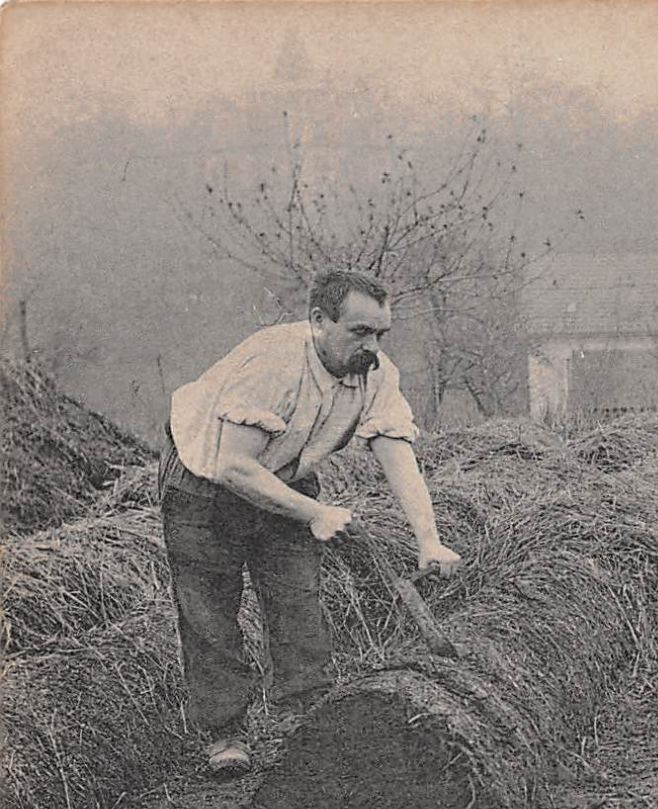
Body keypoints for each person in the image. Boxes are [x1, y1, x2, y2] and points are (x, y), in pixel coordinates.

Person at [161, 269, 462, 778]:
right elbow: (235, 467)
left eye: (380, 334)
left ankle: (307, 718)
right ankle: (226, 734)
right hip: (203, 478)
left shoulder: (374, 373)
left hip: (284, 469)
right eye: (360, 332)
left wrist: (429, 541)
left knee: (298, 596)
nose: (372, 346)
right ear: (319, 321)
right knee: (210, 610)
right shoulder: (273, 363)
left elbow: (397, 452)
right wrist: (317, 513)